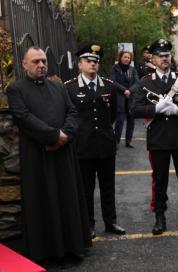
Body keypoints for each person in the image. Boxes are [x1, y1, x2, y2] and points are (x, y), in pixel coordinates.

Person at [6, 46, 91, 261]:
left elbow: (72, 112)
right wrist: (54, 136)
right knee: (44, 202)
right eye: (35, 61)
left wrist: (65, 135)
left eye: (43, 61)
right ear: (24, 64)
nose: (41, 65)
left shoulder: (58, 86)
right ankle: (47, 252)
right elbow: (23, 117)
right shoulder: (16, 89)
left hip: (63, 155)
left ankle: (73, 247)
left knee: (67, 199)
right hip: (37, 155)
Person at [132, 39, 178, 235]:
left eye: (167, 55)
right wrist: (155, 108)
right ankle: (159, 217)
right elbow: (134, 108)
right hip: (158, 139)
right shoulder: (145, 82)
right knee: (159, 180)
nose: (165, 58)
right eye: (160, 56)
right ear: (153, 59)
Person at [66, 43, 126, 239]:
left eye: (96, 61)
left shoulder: (108, 86)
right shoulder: (70, 88)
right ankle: (88, 223)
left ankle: (111, 221)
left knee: (108, 187)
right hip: (83, 147)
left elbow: (113, 115)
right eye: (88, 60)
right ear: (79, 64)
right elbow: (69, 117)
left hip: (106, 145)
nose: (93, 64)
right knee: (86, 189)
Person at [109, 50, 139, 148]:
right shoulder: (115, 68)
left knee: (131, 120)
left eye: (128, 57)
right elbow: (113, 82)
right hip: (119, 97)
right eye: (125, 57)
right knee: (120, 121)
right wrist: (124, 90)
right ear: (120, 57)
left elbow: (137, 82)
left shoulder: (132, 69)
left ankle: (128, 141)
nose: (127, 59)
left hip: (130, 97)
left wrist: (130, 90)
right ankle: (116, 142)